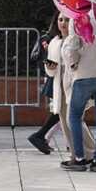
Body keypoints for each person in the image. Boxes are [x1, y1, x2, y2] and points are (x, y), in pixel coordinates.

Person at [61, 21, 96, 173]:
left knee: (74, 116)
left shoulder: (78, 16)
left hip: (84, 73)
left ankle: (80, 158)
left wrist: (72, 65)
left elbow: (73, 47)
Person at [27, 20, 65, 157]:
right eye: (61, 20)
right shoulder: (52, 40)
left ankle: (42, 137)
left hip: (57, 78)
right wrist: (53, 69)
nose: (64, 23)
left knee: (61, 112)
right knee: (63, 112)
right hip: (56, 79)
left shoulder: (52, 39)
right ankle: (41, 136)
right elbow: (48, 61)